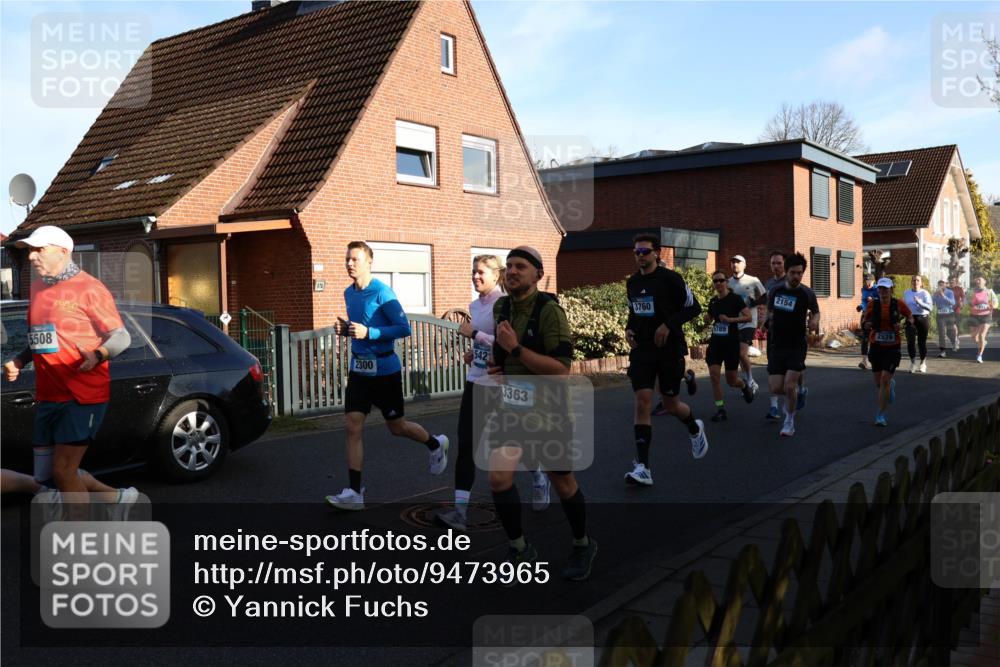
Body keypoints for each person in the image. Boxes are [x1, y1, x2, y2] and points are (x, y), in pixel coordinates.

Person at [3, 225, 137, 519]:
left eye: (40, 250)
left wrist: (99, 354)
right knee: (49, 477)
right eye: (30, 250)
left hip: (83, 394)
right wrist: (20, 360)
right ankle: (118, 498)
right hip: (48, 394)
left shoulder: (89, 287)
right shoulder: (37, 287)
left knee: (63, 472)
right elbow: (40, 338)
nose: (32, 257)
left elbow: (121, 336)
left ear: (63, 252)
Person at [485, 246, 597, 580]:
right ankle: (520, 547)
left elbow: (560, 369)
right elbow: (503, 351)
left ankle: (582, 543)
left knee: (562, 481)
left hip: (549, 412)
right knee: (498, 476)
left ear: (538, 274)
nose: (512, 272)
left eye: (520, 266)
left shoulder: (550, 311)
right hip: (512, 407)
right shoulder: (502, 306)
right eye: (509, 267)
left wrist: (516, 349)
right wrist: (497, 364)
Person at [325, 241, 449, 511]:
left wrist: (370, 333)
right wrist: (347, 330)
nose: (349, 264)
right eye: (347, 259)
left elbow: (403, 328)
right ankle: (355, 492)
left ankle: (435, 443)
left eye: (355, 259)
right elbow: (359, 328)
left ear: (369, 262)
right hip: (359, 369)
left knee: (397, 427)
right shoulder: (349, 293)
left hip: (385, 371)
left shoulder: (382, 292)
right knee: (352, 425)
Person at [436, 256, 549, 531]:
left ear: (495, 275)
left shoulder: (504, 304)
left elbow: (505, 341)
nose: (475, 276)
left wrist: (473, 334)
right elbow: (490, 344)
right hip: (476, 381)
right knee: (466, 445)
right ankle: (460, 513)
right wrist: (475, 353)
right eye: (473, 272)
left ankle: (539, 477)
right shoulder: (476, 304)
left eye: (481, 272)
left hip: (500, 384)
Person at [624, 234, 708, 486]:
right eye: (637, 252)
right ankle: (644, 468)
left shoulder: (670, 279)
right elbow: (633, 310)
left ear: (656, 253)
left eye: (645, 252)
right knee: (643, 402)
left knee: (671, 405)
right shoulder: (633, 283)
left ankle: (694, 427)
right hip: (643, 350)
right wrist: (629, 329)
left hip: (669, 349)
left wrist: (668, 325)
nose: (640, 256)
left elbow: (695, 308)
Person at [765, 252, 820, 438]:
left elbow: (816, 312)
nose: (796, 276)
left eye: (800, 273)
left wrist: (814, 321)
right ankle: (795, 396)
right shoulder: (776, 291)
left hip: (797, 345)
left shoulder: (807, 293)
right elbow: (770, 311)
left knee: (789, 386)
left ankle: (789, 421)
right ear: (786, 272)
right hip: (777, 344)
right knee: (775, 388)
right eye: (793, 273)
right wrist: (767, 322)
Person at [704, 270, 756, 422]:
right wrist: (707, 319)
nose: (718, 283)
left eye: (721, 280)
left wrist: (730, 320)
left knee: (731, 381)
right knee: (714, 376)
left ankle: (744, 386)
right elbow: (710, 318)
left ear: (726, 282)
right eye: (715, 281)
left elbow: (748, 316)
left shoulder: (735, 299)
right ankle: (721, 409)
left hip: (731, 343)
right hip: (715, 343)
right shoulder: (713, 301)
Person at [761, 251, 808, 419]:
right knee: (775, 377)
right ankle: (775, 406)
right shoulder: (769, 285)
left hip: (796, 340)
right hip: (777, 338)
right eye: (773, 263)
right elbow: (769, 308)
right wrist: (765, 324)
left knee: (794, 375)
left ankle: (799, 390)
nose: (775, 266)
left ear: (785, 265)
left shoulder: (797, 286)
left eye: (778, 263)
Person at [862, 278, 914, 426]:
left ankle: (880, 415)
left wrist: (905, 324)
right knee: (879, 383)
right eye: (881, 289)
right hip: (876, 346)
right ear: (878, 290)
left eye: (886, 289)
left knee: (884, 379)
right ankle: (890, 386)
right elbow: (865, 322)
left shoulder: (899, 304)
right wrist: (867, 324)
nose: (883, 292)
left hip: (892, 346)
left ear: (891, 289)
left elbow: (910, 316)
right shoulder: (873, 304)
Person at [727, 255, 767, 392]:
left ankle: (750, 380)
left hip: (749, 322)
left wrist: (752, 303)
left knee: (741, 352)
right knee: (739, 355)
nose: (735, 265)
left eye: (738, 262)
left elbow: (764, 297)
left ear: (744, 265)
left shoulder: (753, 280)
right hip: (734, 322)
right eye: (732, 262)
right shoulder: (728, 283)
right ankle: (747, 379)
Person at [902, 275, 932, 373]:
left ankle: (923, 363)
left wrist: (920, 302)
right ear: (912, 282)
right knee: (910, 341)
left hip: (922, 318)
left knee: (921, 342)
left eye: (918, 280)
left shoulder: (925, 293)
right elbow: (904, 306)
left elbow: (930, 308)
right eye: (914, 280)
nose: (915, 282)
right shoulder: (907, 293)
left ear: (921, 283)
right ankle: (913, 363)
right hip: (910, 318)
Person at [967, 275, 998, 363]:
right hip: (974, 315)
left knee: (981, 335)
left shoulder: (989, 292)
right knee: (974, 337)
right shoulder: (971, 292)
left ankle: (979, 355)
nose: (977, 281)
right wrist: (969, 304)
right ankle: (983, 343)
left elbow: (996, 303)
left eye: (979, 280)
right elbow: (966, 301)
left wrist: (993, 306)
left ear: (984, 281)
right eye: (977, 280)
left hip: (986, 315)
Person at [857, 274, 878, 369]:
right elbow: (863, 301)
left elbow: (882, 299)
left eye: (870, 281)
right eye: (866, 281)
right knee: (865, 338)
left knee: (875, 338)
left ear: (874, 281)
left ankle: (875, 360)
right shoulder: (864, 289)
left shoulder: (878, 289)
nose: (868, 283)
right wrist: (860, 306)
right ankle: (864, 361)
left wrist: (873, 299)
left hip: (875, 315)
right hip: (865, 314)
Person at [933, 280, 957, 358]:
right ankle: (943, 351)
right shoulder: (936, 293)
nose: (940, 286)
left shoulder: (950, 292)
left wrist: (944, 296)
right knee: (941, 334)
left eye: (942, 285)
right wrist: (934, 296)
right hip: (940, 314)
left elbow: (953, 303)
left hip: (949, 314)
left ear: (945, 285)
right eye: (939, 285)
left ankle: (954, 342)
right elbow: (932, 303)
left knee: (950, 332)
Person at [950, 276, 965, 351]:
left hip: (957, 310)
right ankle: (955, 340)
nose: (951, 282)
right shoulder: (947, 289)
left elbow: (963, 297)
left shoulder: (959, 289)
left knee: (954, 326)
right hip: (948, 310)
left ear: (956, 282)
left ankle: (955, 341)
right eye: (950, 281)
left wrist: (962, 303)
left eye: (953, 281)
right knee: (950, 328)